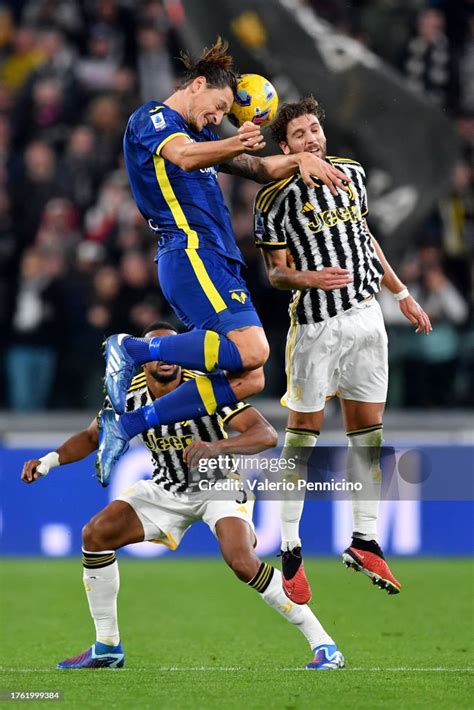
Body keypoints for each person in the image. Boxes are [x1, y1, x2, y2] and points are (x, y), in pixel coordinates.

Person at [97, 37, 350, 486]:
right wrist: (235, 143)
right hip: (189, 251)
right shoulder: (153, 118)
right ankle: (133, 349)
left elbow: (260, 169)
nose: (220, 117)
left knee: (250, 378)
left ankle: (131, 424)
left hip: (219, 260)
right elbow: (184, 157)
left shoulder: (204, 135)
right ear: (198, 85)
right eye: (219, 106)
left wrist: (300, 159)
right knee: (256, 349)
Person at [21, 322, 345, 671]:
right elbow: (91, 437)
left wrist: (216, 446)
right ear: (142, 361)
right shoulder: (129, 392)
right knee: (95, 535)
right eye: (156, 352)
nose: (166, 358)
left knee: (241, 561)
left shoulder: (206, 387)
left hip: (218, 485)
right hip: (165, 488)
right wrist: (48, 462)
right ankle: (107, 646)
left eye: (173, 349)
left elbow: (264, 435)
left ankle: (325, 645)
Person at [253, 97, 432, 604]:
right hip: (316, 326)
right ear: (285, 147)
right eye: (300, 135)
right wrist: (310, 277)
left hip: (368, 319)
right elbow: (275, 272)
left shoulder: (350, 174)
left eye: (315, 130)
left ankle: (365, 540)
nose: (312, 139)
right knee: (304, 436)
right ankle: (289, 547)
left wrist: (400, 293)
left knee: (367, 435)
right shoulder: (273, 198)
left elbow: (365, 238)